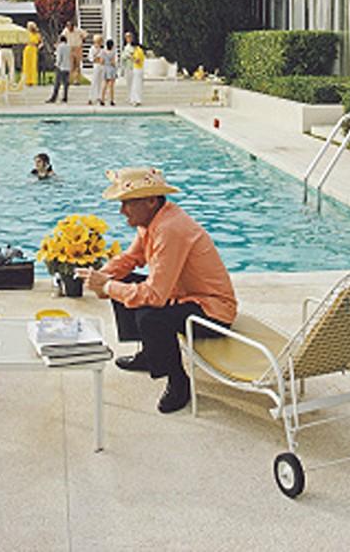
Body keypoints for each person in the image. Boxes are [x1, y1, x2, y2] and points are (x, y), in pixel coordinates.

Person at [77, 167, 237, 413]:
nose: (121, 211)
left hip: (213, 311)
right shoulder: (152, 220)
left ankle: (178, 381)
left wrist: (107, 286)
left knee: (150, 316)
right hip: (183, 296)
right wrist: (104, 276)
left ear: (151, 201)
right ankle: (149, 354)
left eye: (127, 203)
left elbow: (155, 296)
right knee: (125, 280)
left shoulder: (170, 229)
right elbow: (131, 258)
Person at [122, 32, 145, 107]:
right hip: (130, 67)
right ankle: (132, 97)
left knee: (135, 84)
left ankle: (135, 99)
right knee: (131, 83)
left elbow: (137, 59)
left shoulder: (137, 50)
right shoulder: (127, 47)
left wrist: (131, 57)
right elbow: (124, 56)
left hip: (135, 68)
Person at [46, 36, 71, 103]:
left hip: (61, 67)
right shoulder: (68, 46)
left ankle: (54, 98)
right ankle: (65, 97)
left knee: (57, 83)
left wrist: (56, 64)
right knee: (66, 83)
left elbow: (59, 57)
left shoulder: (60, 47)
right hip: (68, 67)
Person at [99, 38, 119, 106]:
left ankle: (102, 99)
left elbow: (101, 62)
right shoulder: (113, 52)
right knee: (111, 86)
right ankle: (111, 100)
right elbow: (113, 62)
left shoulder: (103, 52)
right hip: (111, 69)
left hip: (105, 68)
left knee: (104, 85)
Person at [22, 21, 41, 86]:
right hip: (27, 49)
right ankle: (26, 80)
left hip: (34, 49)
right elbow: (23, 40)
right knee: (26, 65)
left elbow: (41, 42)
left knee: (33, 65)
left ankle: (32, 80)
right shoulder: (27, 34)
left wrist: (39, 47)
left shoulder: (37, 34)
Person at [86, 39, 103, 106]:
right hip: (96, 66)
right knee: (94, 82)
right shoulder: (92, 49)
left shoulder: (102, 49)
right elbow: (91, 58)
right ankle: (91, 98)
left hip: (101, 66)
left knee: (100, 82)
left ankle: (99, 97)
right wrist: (95, 58)